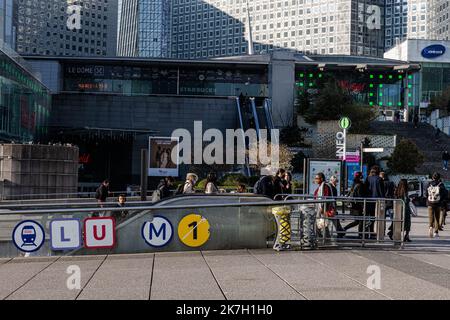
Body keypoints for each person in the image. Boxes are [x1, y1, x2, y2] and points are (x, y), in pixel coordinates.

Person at [424, 172, 447, 238]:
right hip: (438, 203)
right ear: (439, 178)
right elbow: (445, 194)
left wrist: (428, 200)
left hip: (430, 203)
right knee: (437, 218)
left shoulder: (429, 184)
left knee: (431, 217)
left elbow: (426, 193)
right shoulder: (441, 184)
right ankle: (436, 232)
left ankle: (431, 226)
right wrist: (441, 200)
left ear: (432, 177)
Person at [364, 166, 384, 237]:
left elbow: (365, 188)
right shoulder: (380, 179)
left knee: (368, 217)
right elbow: (381, 191)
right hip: (376, 201)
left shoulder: (368, 178)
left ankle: (366, 233)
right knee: (375, 218)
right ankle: (372, 233)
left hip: (368, 200)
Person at [344, 172, 366, 237]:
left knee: (358, 221)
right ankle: (360, 234)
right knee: (360, 221)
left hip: (354, 205)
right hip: (358, 206)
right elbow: (360, 196)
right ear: (360, 177)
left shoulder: (354, 184)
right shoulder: (360, 185)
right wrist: (363, 206)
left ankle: (360, 234)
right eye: (362, 177)